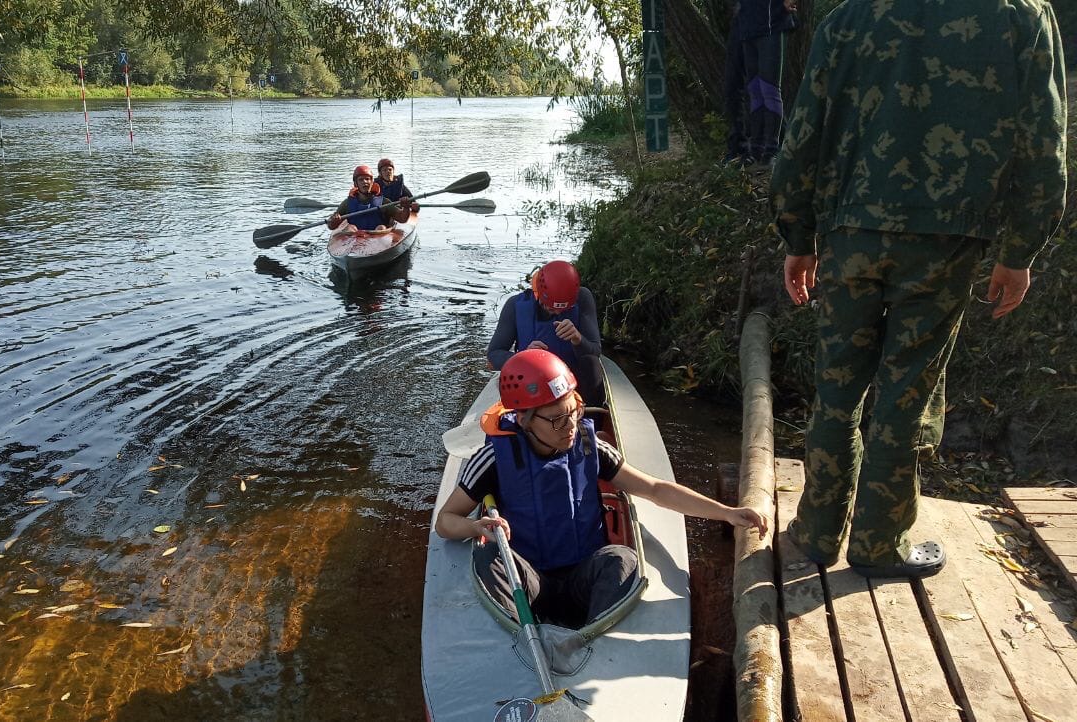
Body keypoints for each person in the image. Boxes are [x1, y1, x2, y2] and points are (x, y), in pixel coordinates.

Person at [772, 0, 1067, 578]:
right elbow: (1043, 143)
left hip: (850, 231)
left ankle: (816, 532)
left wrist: (798, 235)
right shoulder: (1021, 15)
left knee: (837, 387)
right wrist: (1019, 251)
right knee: (906, 392)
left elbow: (802, 133)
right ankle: (879, 544)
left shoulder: (848, 17)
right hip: (946, 238)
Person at [435, 350, 768, 627]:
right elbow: (445, 522)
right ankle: (521, 634)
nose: (570, 426)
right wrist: (476, 527)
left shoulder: (588, 445)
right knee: (489, 555)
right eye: (556, 419)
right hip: (529, 578)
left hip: (584, 578)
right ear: (523, 420)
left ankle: (595, 635)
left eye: (574, 411)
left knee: (622, 559)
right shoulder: (494, 458)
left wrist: (726, 512)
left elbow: (655, 489)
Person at [487, 260, 607, 408]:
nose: (557, 312)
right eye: (551, 308)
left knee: (591, 362)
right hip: (534, 382)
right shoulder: (515, 305)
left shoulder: (583, 298)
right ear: (540, 297)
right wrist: (524, 357)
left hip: (574, 377)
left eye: (563, 308)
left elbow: (595, 351)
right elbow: (494, 354)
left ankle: (592, 413)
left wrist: (578, 338)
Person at [722, 0, 797, 164]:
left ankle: (772, 151)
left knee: (770, 89)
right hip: (747, 26)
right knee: (755, 90)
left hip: (772, 23)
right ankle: (756, 151)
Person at [327, 165, 412, 231]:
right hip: (355, 238)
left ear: (372, 182)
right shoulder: (347, 204)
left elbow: (402, 219)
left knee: (381, 227)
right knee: (350, 228)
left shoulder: (383, 202)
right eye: (361, 180)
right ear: (356, 184)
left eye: (367, 179)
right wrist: (334, 221)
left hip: (378, 236)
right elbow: (331, 226)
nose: (365, 182)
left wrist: (406, 207)